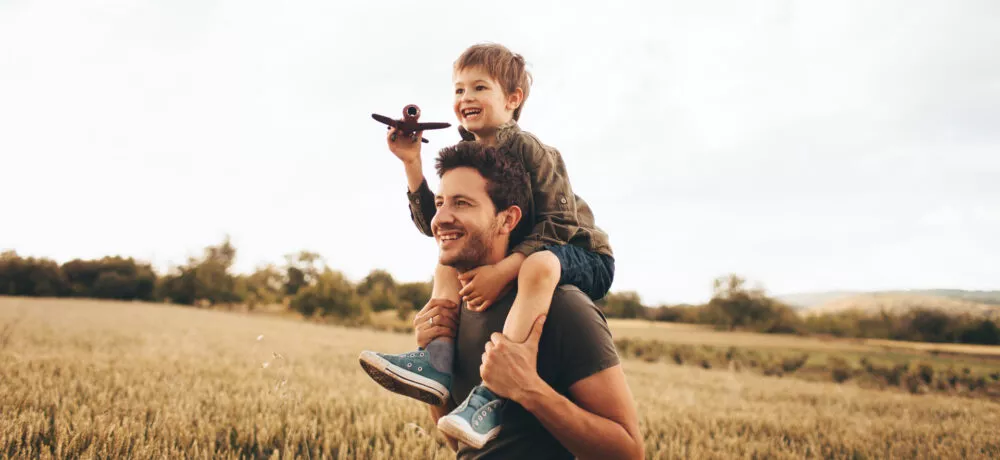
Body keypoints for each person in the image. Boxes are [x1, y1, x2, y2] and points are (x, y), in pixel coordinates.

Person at [359, 42, 616, 447]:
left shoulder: (531, 150)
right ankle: (437, 361)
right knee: (448, 255)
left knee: (539, 265)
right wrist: (412, 164)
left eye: (479, 88)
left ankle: (493, 394)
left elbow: (560, 223)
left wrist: (504, 270)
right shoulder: (470, 155)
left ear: (513, 100)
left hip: (579, 253)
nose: (466, 98)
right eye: (459, 90)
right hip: (530, 252)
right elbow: (438, 226)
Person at [393, 142, 644, 457]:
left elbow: (629, 452)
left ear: (508, 219)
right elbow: (461, 443)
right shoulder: (457, 309)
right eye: (440, 202)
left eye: (461, 203)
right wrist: (437, 381)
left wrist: (529, 390)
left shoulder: (564, 307)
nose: (439, 218)